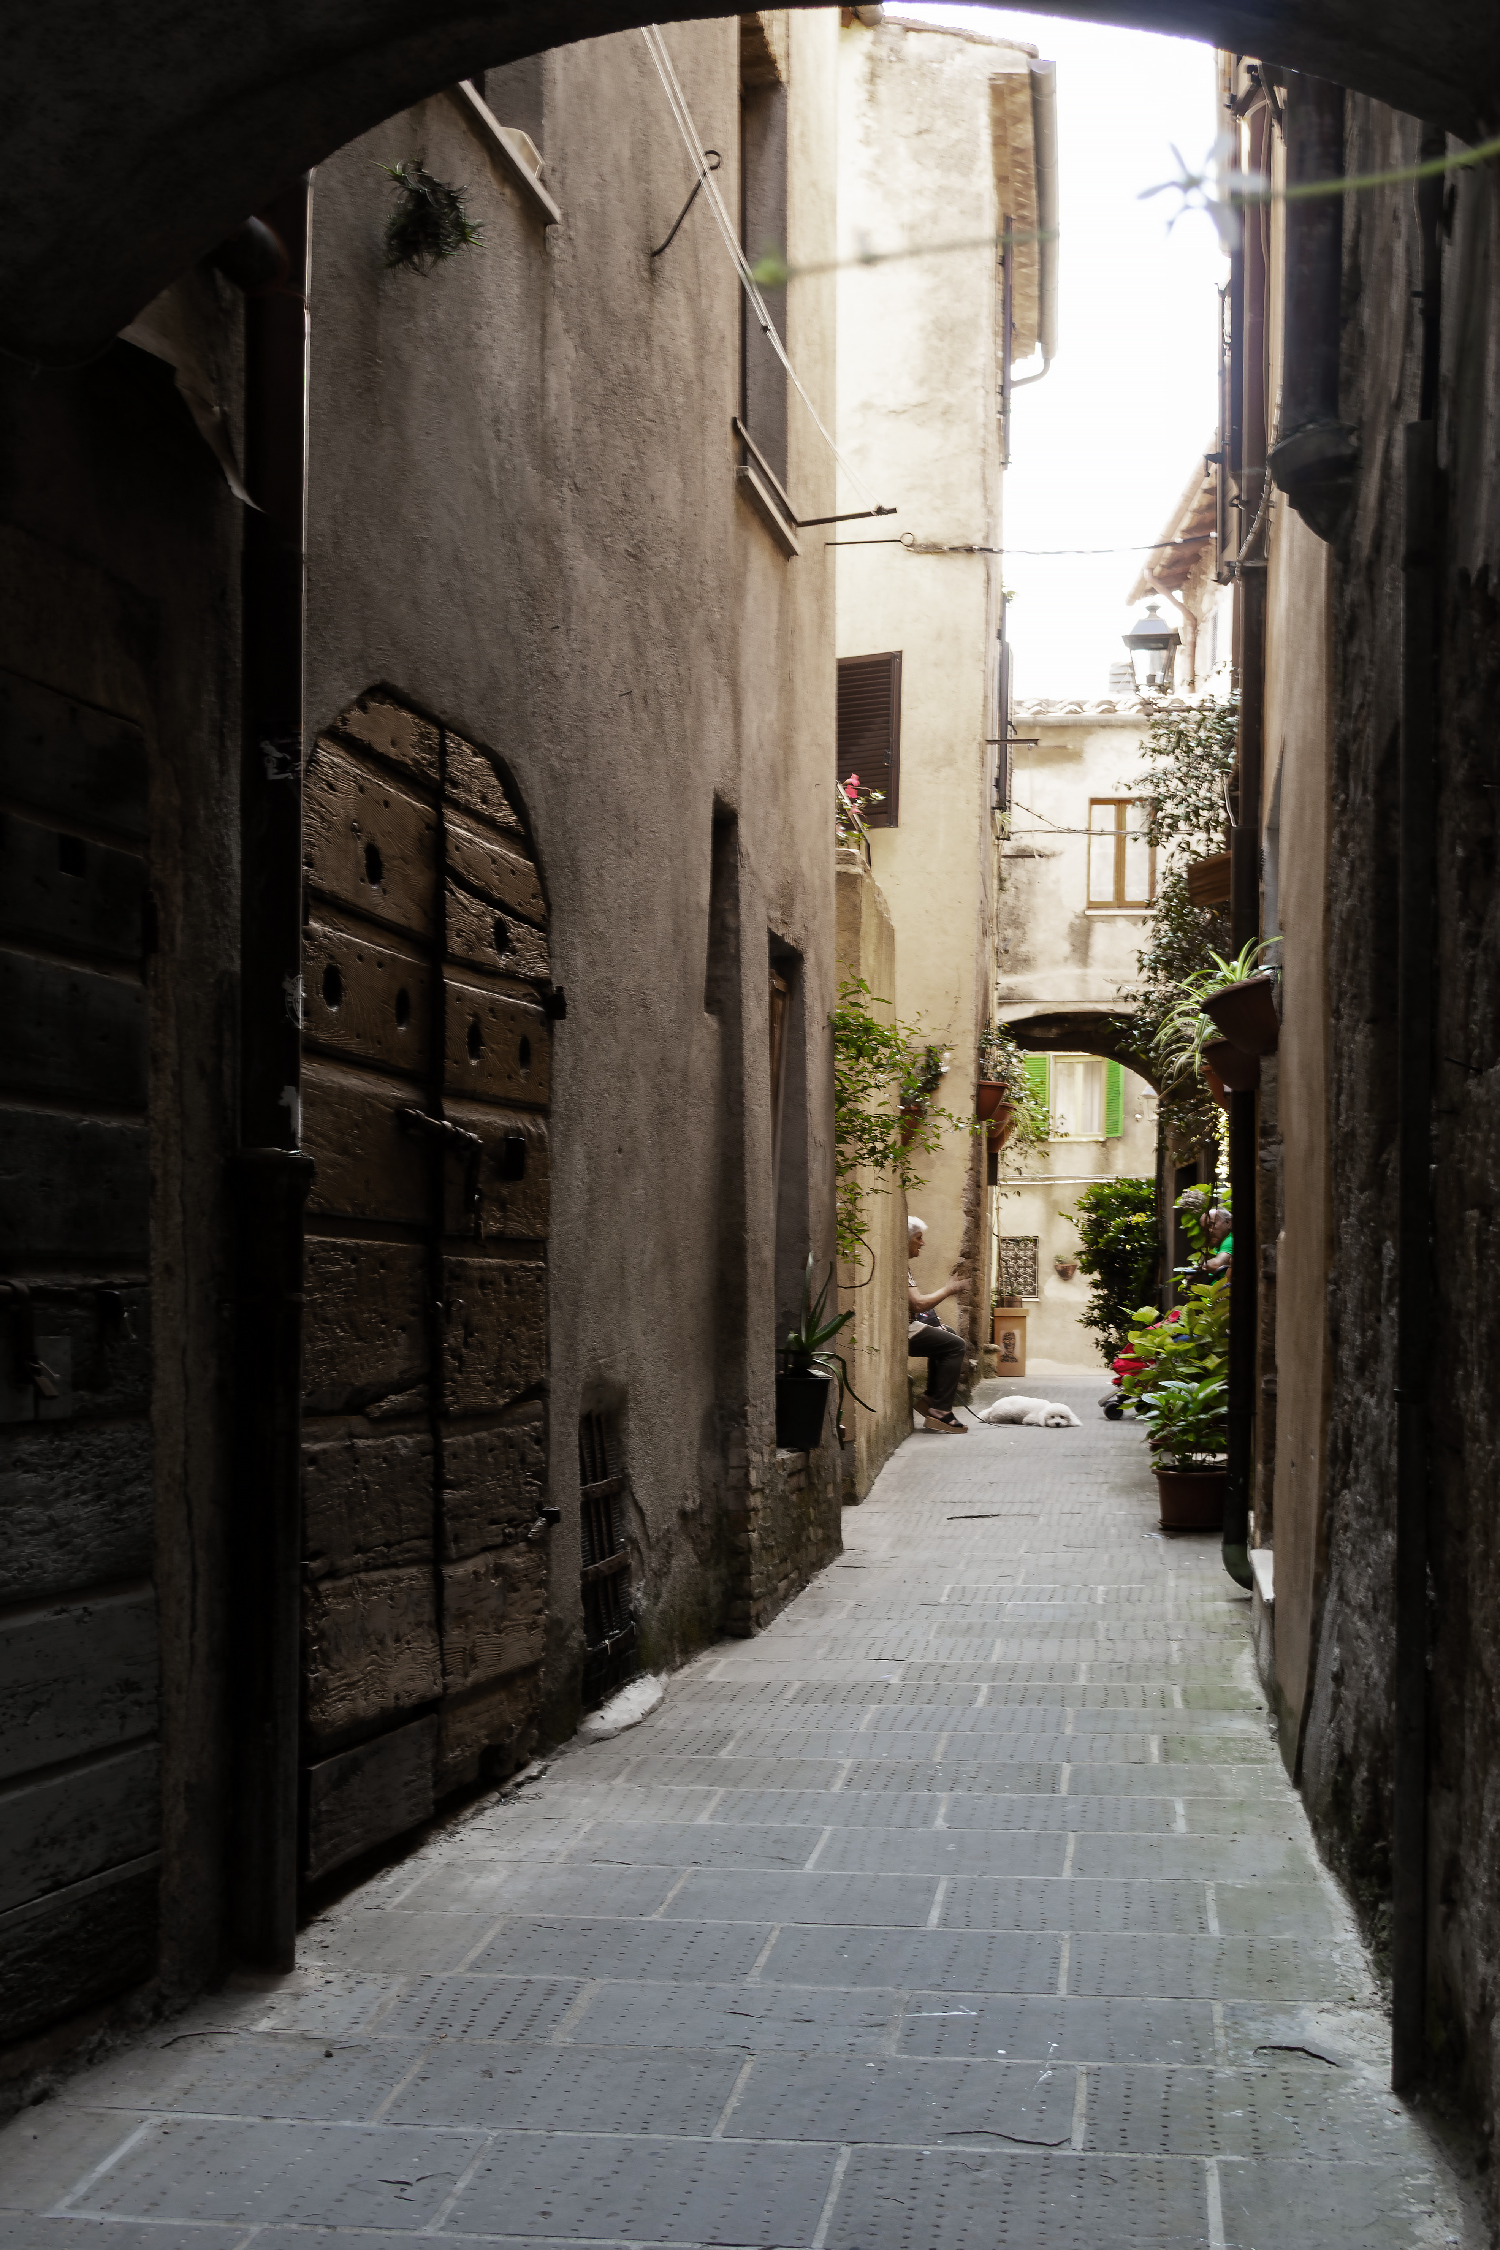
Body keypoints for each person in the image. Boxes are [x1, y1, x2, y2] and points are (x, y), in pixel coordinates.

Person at [907, 1216, 968, 1434]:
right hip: (903, 1332)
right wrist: (949, 1289)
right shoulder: (900, 1266)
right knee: (956, 1345)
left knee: (947, 1334)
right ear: (906, 1240)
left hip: (909, 1326)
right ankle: (941, 1411)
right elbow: (916, 1303)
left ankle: (930, 1398)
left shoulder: (902, 1266)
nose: (922, 1243)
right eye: (918, 1238)